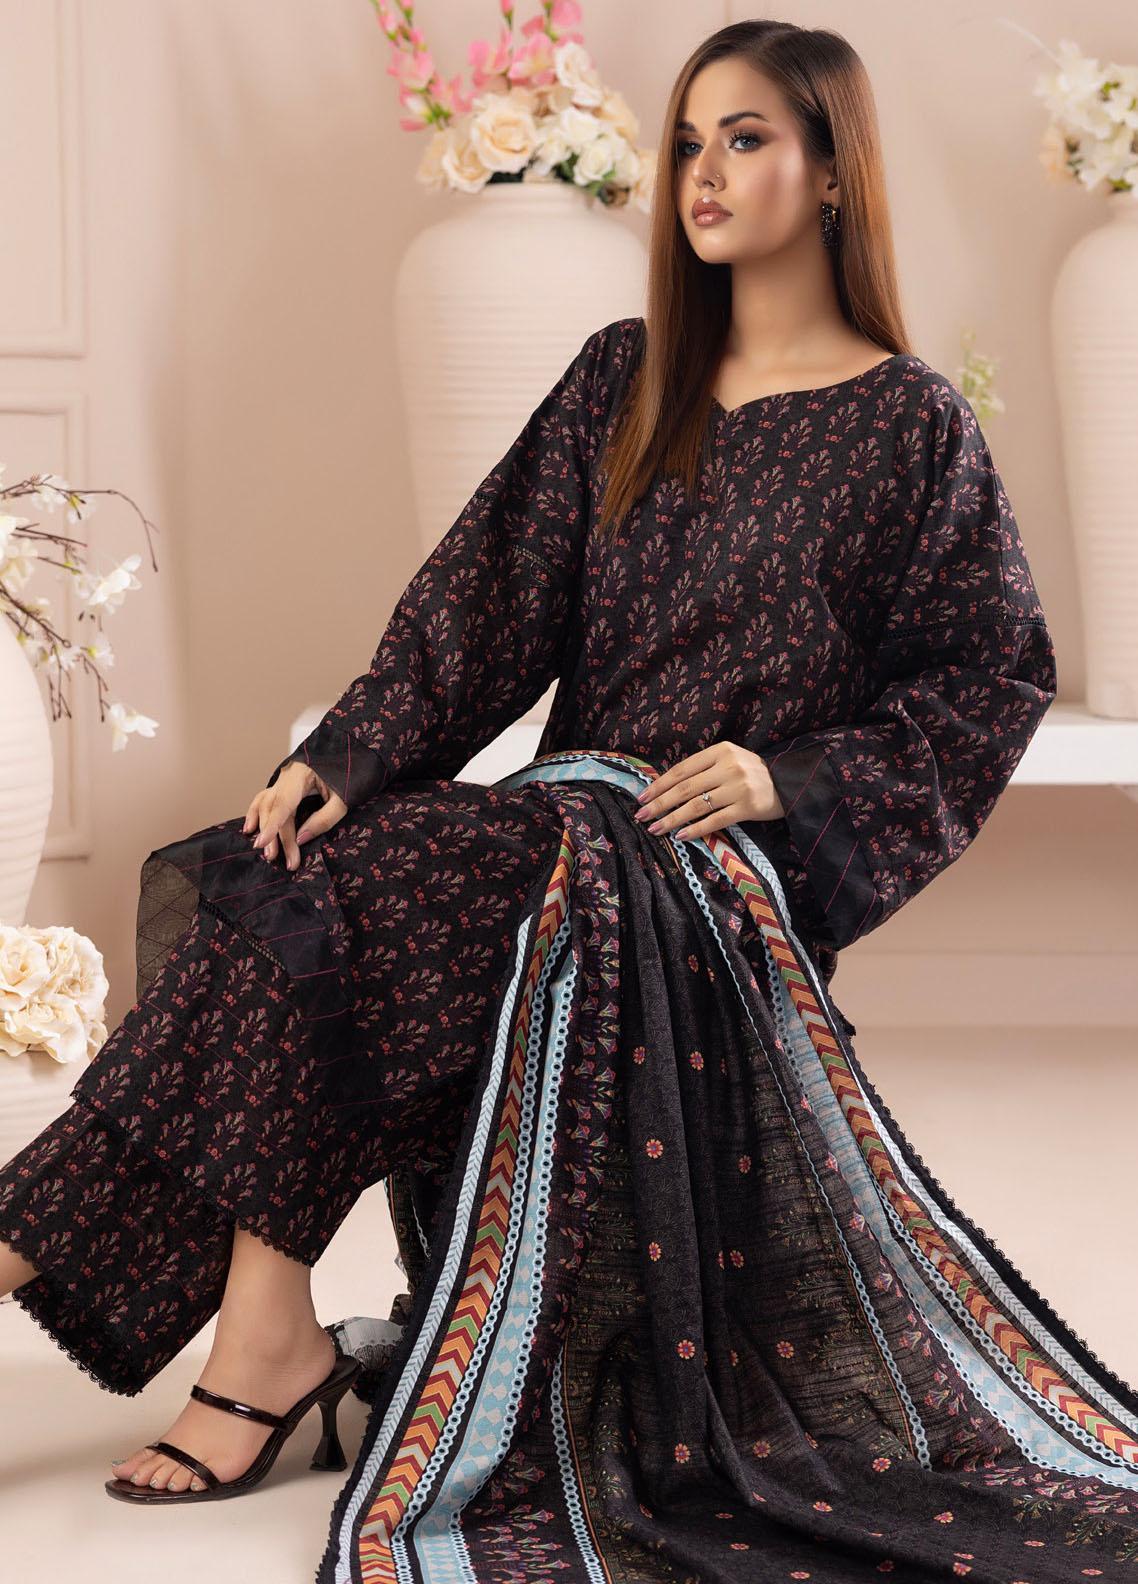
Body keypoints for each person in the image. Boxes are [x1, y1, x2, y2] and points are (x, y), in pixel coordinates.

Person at [3, 16, 1136, 1582]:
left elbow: (986, 675)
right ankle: (261, 1331)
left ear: (831, 172)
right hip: (556, 833)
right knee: (287, 874)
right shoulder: (627, 376)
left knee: (355, 901)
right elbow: (482, 604)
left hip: (696, 886)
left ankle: (178, 1318)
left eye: (745, 138)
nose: (701, 173)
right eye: (685, 143)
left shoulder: (908, 426)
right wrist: (342, 758)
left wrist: (786, 778)